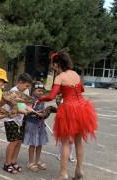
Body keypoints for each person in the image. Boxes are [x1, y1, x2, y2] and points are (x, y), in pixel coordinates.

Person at [34, 51, 98, 180]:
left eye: (53, 64)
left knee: (65, 143)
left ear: (57, 63)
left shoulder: (60, 77)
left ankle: (63, 173)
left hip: (69, 109)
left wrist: (40, 99)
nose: (52, 66)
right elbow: (82, 90)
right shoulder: (75, 73)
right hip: (83, 108)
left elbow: (52, 96)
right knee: (78, 141)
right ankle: (79, 170)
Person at [3, 73, 33, 174]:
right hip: (11, 119)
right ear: (20, 83)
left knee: (19, 141)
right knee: (13, 142)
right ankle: (7, 164)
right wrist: (28, 113)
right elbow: (15, 108)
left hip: (21, 120)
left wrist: (34, 112)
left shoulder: (25, 91)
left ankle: (13, 161)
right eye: (26, 86)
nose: (26, 88)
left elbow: (27, 105)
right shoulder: (12, 92)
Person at [23, 81, 48, 172]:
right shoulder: (30, 99)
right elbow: (30, 112)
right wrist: (37, 113)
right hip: (32, 123)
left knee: (40, 143)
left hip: (40, 123)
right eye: (39, 91)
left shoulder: (43, 99)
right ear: (33, 90)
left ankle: (37, 161)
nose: (40, 93)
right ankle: (30, 162)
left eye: (42, 91)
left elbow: (42, 110)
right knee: (33, 143)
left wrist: (44, 112)